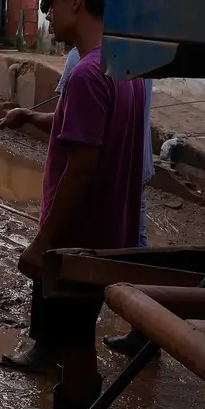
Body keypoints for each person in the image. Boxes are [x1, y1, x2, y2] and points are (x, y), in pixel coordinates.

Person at [0, 0, 147, 409]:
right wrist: (29, 117)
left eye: (51, 6)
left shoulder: (85, 74)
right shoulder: (124, 65)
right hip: (110, 230)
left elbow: (81, 170)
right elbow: (77, 125)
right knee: (76, 332)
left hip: (78, 237)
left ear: (76, 2)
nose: (46, 16)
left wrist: (43, 244)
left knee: (76, 338)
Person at [59, 47, 155, 357]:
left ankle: (63, 353)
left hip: (105, 174)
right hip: (133, 168)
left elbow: (71, 125)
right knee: (133, 248)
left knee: (86, 261)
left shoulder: (83, 64)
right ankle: (147, 327)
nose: (51, 22)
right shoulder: (139, 57)